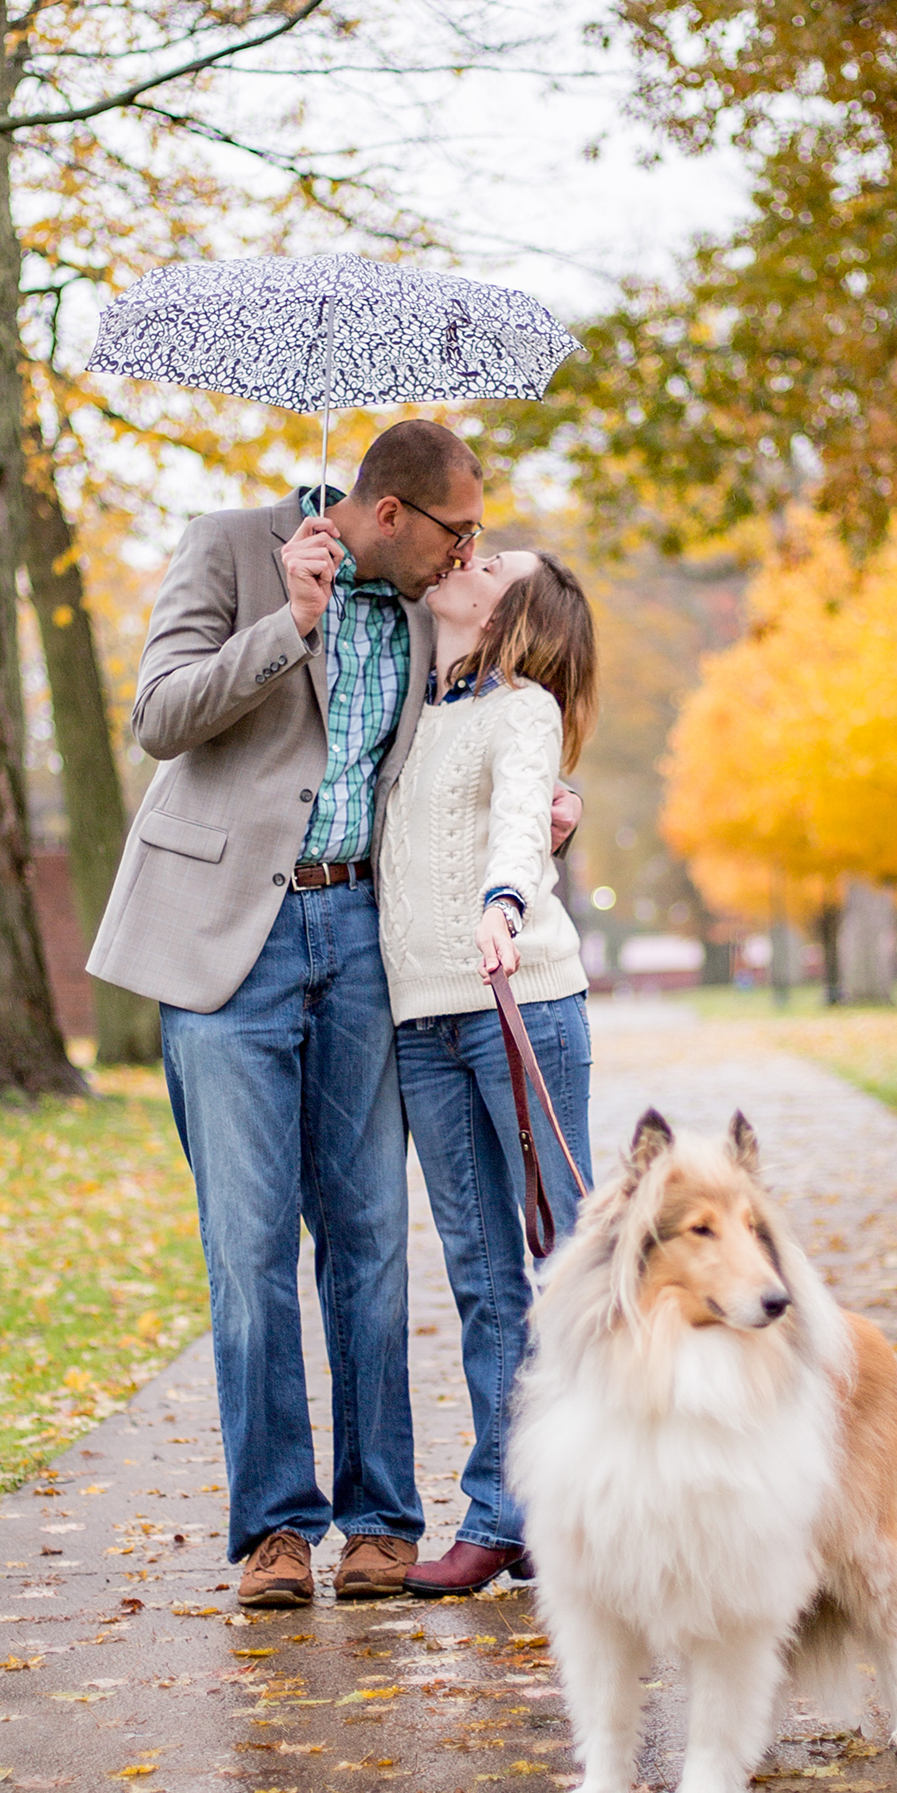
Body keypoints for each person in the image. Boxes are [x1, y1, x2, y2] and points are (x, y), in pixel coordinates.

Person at [85, 421, 577, 1610]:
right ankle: (272, 1529)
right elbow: (156, 717)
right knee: (248, 1249)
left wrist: (540, 829)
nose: (470, 555)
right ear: (393, 513)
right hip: (227, 949)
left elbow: (463, 764)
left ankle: (376, 1520)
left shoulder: (423, 612)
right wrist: (286, 626)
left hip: (360, 938)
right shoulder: (228, 550)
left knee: (365, 1242)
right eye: (457, 531)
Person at [378, 547, 598, 1596]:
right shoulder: (409, 707)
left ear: (514, 612)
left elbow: (521, 815)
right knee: (479, 1278)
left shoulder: (523, 709)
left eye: (492, 558)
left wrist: (505, 901)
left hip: (521, 1000)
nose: (468, 555)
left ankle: (563, 1507)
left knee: (567, 1263)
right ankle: (508, 1512)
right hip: (421, 1015)